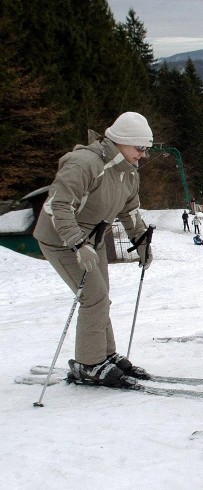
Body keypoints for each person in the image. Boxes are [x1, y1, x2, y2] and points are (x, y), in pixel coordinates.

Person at [33, 112, 155, 387]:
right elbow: (58, 206)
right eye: (140, 148)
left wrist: (142, 242)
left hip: (92, 240)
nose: (143, 154)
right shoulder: (86, 163)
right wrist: (76, 243)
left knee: (102, 297)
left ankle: (104, 354)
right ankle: (88, 364)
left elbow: (130, 210)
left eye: (146, 149)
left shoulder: (127, 172)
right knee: (94, 298)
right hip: (61, 239)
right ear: (122, 142)